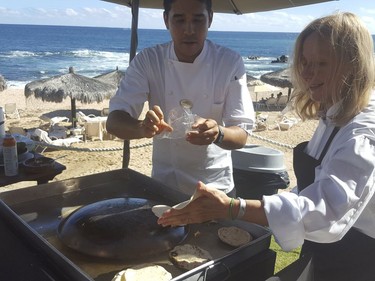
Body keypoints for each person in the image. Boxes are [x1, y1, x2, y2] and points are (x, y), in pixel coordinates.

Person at [158, 12, 375, 280]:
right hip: (325, 254)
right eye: (304, 62)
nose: (307, 74)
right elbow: (310, 189)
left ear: (352, 66)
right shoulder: (335, 113)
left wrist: (232, 208)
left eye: (321, 63)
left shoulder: (363, 132)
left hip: (359, 261)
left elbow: (325, 210)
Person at [106, 0, 254, 196]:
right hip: (163, 186)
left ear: (210, 19)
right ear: (166, 20)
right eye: (179, 20)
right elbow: (114, 121)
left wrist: (217, 133)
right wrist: (142, 127)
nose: (189, 30)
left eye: (198, 19)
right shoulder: (148, 60)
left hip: (216, 191)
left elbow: (241, 134)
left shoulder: (229, 62)